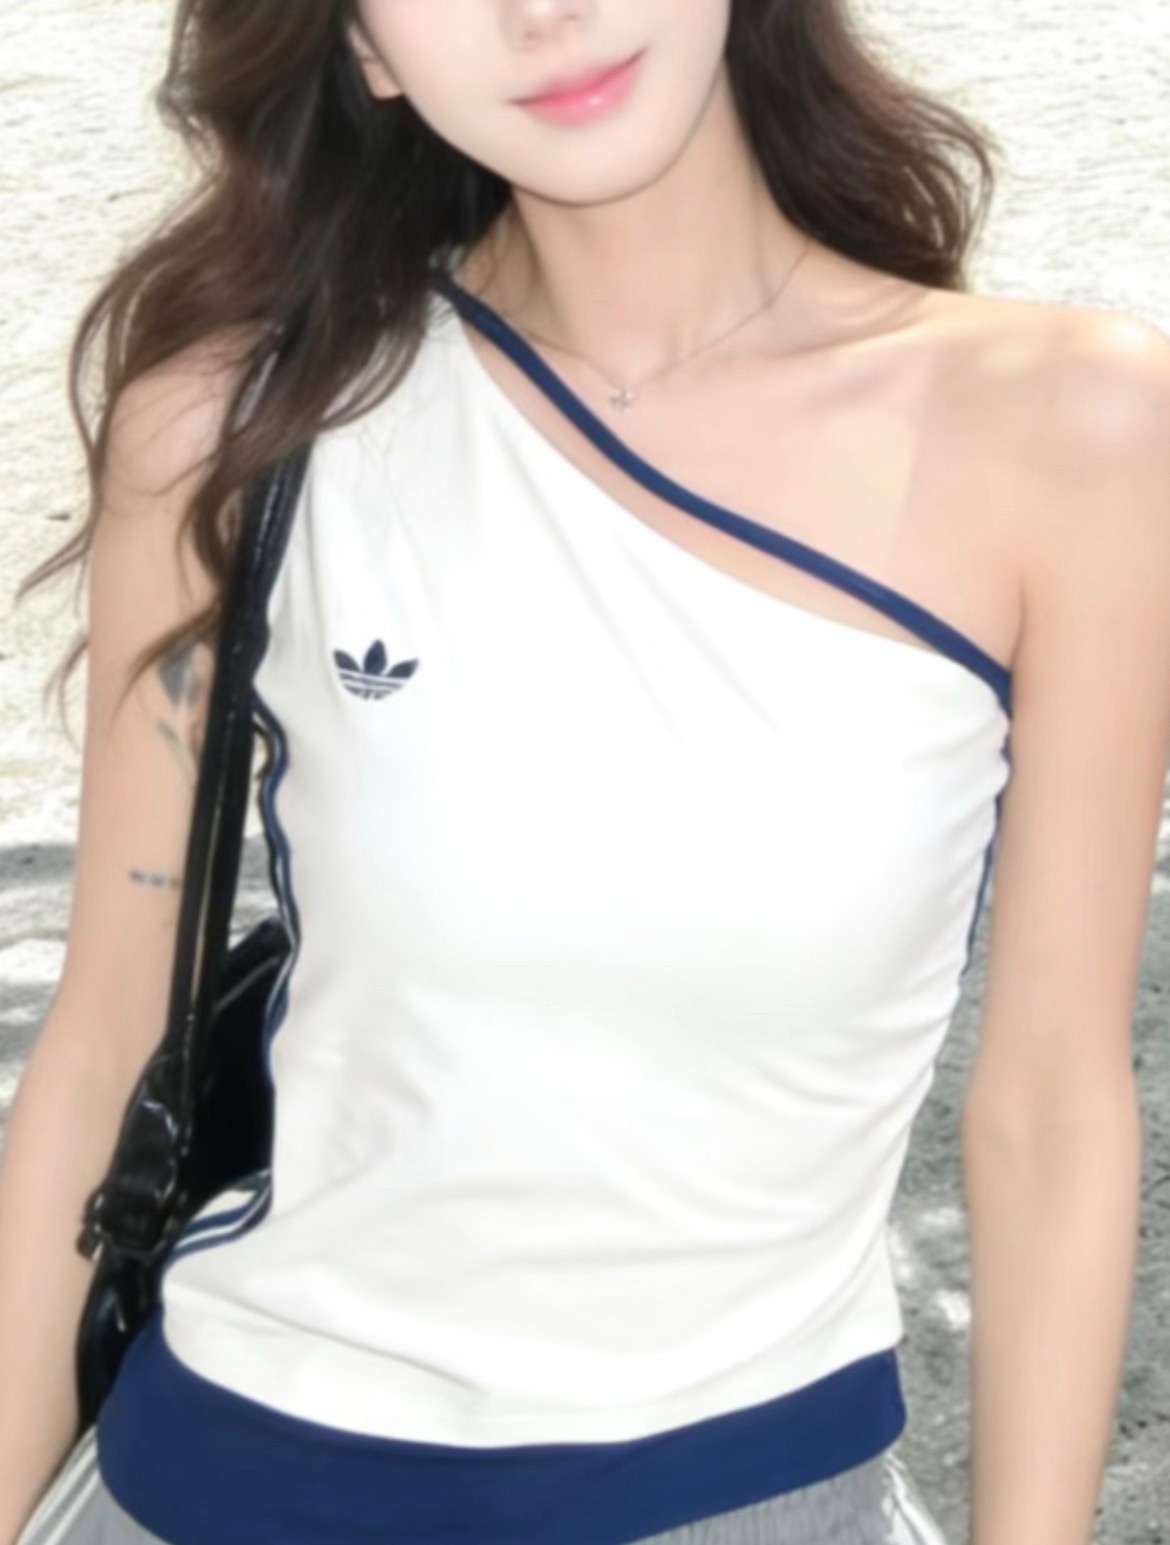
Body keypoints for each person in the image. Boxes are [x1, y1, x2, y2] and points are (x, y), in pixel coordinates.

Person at [4, 0, 1170, 1541]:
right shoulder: (232, 425)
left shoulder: (1073, 432)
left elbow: (1050, 1105)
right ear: (366, 50)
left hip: (741, 1491)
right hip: (210, 1476)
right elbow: (101, 1047)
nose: (537, 13)